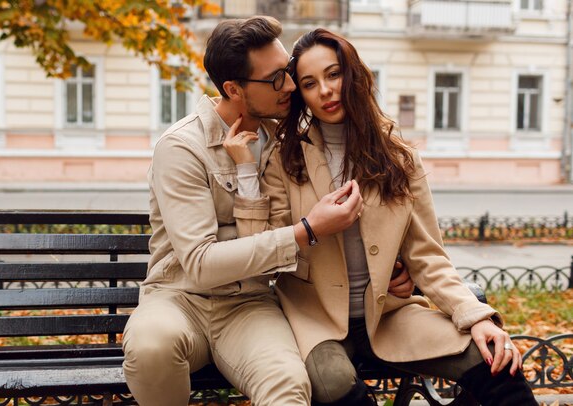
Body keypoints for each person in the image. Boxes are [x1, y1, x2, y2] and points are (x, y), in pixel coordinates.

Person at [230, 28, 538, 406]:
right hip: (317, 323)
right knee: (333, 386)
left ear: (353, 75)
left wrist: (477, 317)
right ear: (302, 95)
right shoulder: (285, 156)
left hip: (391, 315)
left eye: (333, 74)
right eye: (309, 83)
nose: (325, 90)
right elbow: (266, 250)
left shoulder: (400, 158)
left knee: (498, 366)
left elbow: (429, 256)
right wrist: (296, 214)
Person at [122, 17, 413, 406]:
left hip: (250, 305)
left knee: (289, 386)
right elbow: (201, 263)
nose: (291, 86)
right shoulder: (182, 148)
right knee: (151, 348)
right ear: (233, 89)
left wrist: (392, 270)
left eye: (289, 73)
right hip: (179, 299)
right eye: (277, 79)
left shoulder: (285, 140)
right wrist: (305, 230)